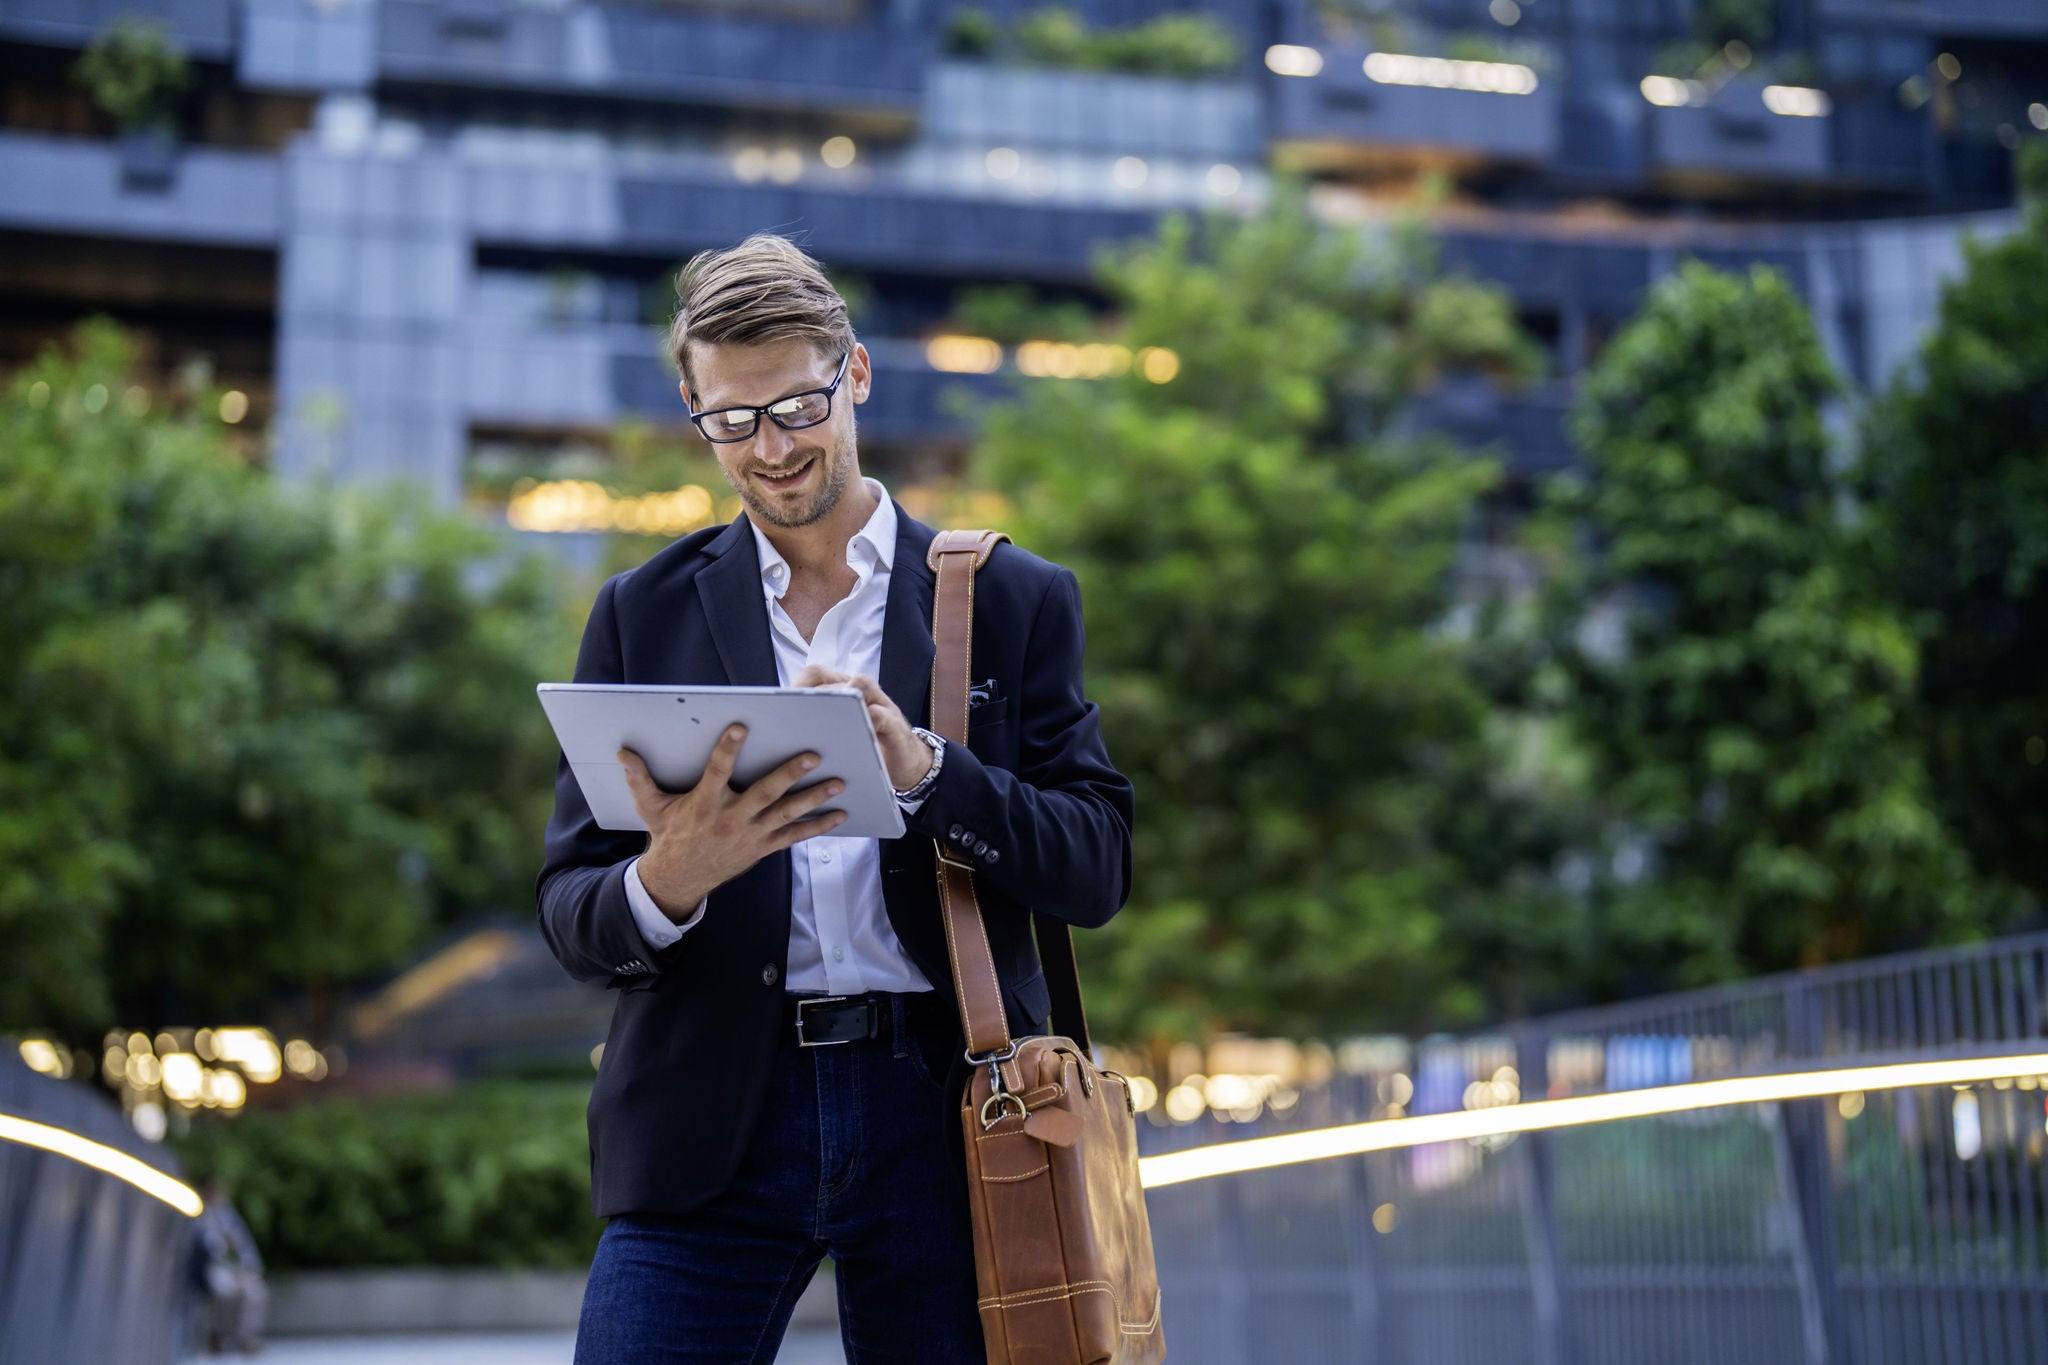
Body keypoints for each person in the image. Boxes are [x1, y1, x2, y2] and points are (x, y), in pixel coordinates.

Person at [537, 233, 1134, 1364]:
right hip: (709, 1108)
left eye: (798, 407)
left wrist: (927, 773)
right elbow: (568, 908)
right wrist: (669, 881)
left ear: (854, 373)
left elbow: (1097, 862)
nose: (769, 448)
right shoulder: (640, 611)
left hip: (944, 1113)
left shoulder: (1007, 598)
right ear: (692, 408)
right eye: (731, 420)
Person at [190, 1178, 267, 1355]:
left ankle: (246, 1338)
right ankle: (217, 1336)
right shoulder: (201, 1216)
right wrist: (224, 1243)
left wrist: (251, 1267)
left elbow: (245, 1245)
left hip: (237, 1267)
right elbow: (208, 1246)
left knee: (256, 1292)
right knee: (223, 1292)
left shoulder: (230, 1216)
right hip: (215, 1267)